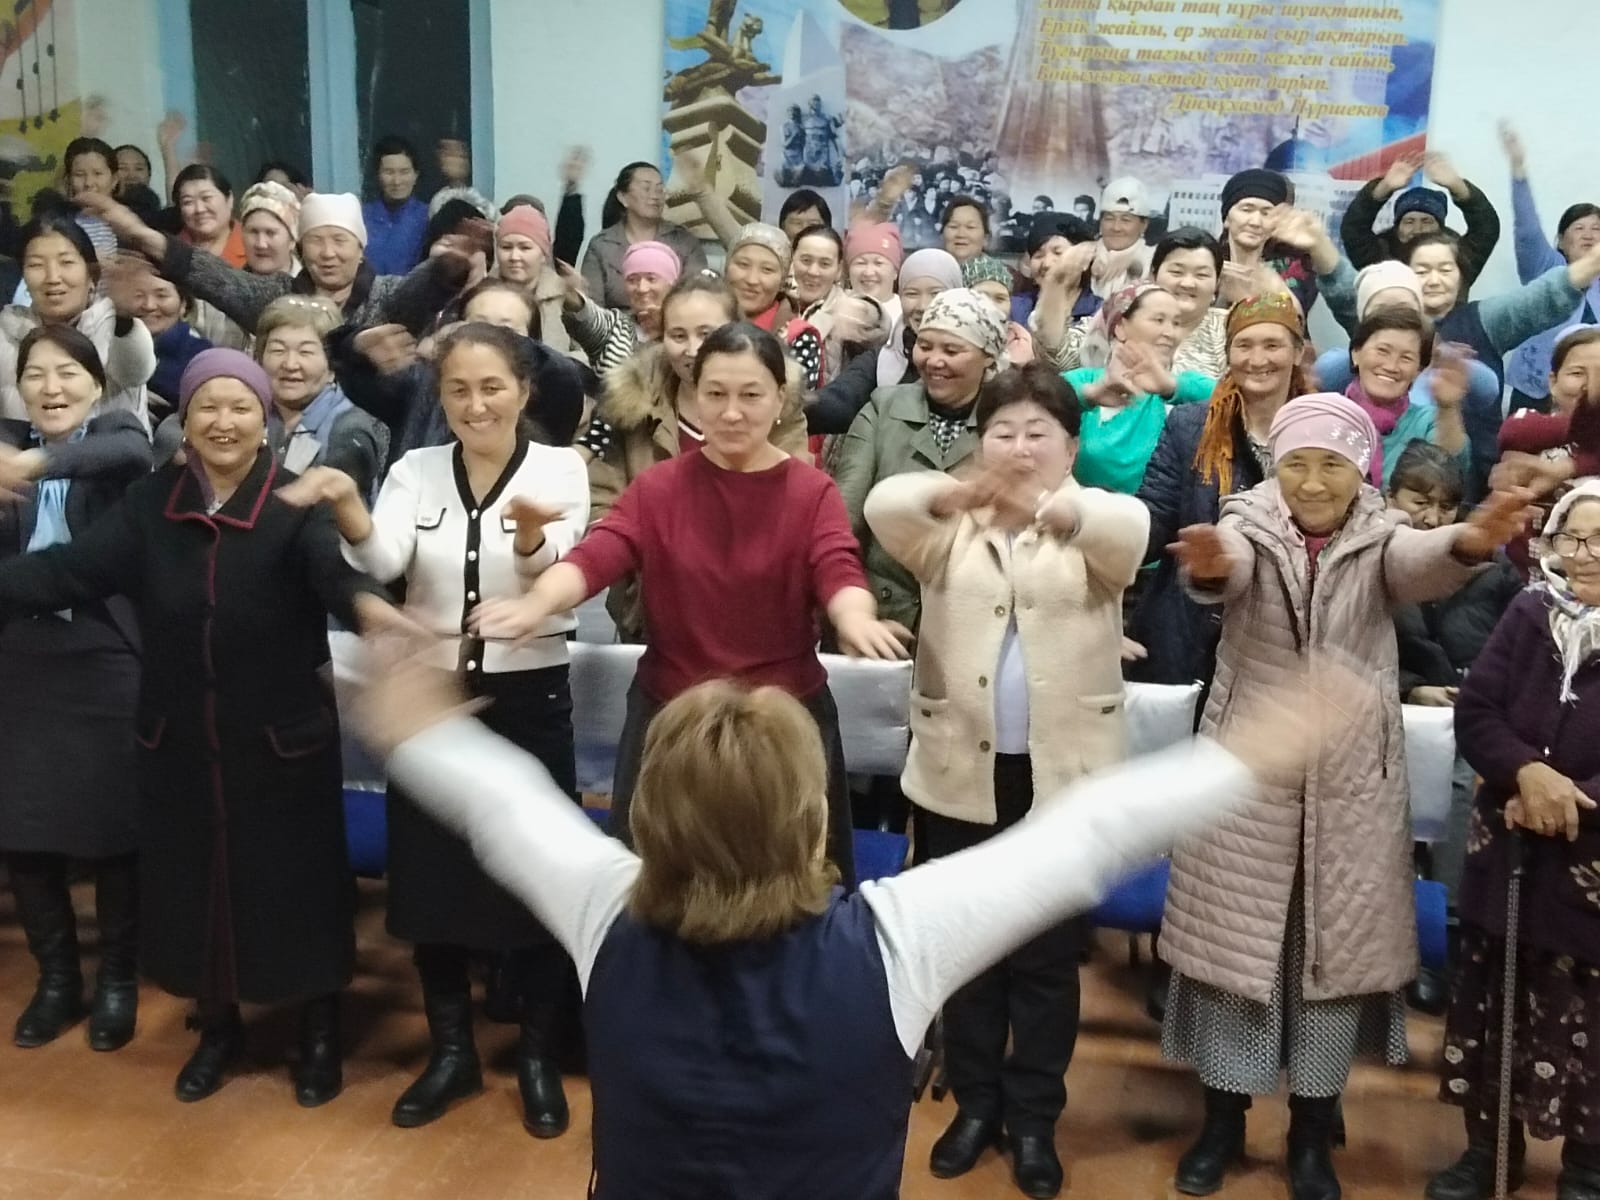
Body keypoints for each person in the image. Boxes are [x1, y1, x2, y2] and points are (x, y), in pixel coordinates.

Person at [357, 609, 1350, 1197]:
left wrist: (415, 728)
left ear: (647, 810)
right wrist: (1247, 757)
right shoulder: (896, 940)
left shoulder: (601, 905)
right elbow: (1086, 835)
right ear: (809, 813)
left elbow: (505, 803)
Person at [0, 348, 411, 1106]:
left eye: (241, 407)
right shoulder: (152, 503)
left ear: (265, 420)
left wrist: (371, 612)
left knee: (298, 892)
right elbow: (68, 571)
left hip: (282, 743)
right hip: (182, 741)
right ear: (184, 422)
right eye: (208, 408)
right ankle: (218, 1029)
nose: (225, 422)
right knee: (198, 889)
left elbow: (337, 575)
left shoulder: (294, 499)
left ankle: (319, 1031)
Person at [1159, 392, 1531, 1200]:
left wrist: (1469, 541)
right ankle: (1221, 1125)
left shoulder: (1380, 532)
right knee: (1233, 963)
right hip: (1248, 780)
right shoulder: (1248, 518)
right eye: (1298, 463)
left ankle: (1310, 1138)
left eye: (1331, 465)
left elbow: (1418, 561)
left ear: (1361, 469)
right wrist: (1211, 567)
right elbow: (1233, 562)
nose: (1313, 482)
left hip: (1353, 784)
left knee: (1331, 968)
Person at [279, 322, 589, 1135]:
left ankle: (535, 1056)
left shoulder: (560, 467)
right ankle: (450, 1053)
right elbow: (384, 563)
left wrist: (529, 531)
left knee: (540, 877)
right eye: (458, 390)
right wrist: (347, 503)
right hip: (431, 695)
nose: (475, 404)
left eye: (492, 388)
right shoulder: (416, 468)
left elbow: (557, 566)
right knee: (429, 881)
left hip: (529, 700)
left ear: (523, 390)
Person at [473, 323, 912, 887]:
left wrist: (855, 617)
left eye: (751, 395)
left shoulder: (811, 492)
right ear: (693, 395)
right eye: (715, 394)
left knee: (786, 886)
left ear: (780, 398)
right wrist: (538, 601)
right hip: (672, 718)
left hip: (781, 726)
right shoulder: (659, 488)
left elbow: (837, 566)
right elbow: (598, 554)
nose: (732, 412)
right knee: (659, 882)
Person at [865, 364, 1149, 1198]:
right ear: (978, 440)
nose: (1020, 449)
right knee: (968, 956)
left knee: (1046, 963)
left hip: (1064, 782)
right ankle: (975, 1104)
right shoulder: (947, 529)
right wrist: (957, 493)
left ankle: (1033, 1121)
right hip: (961, 772)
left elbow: (1127, 533)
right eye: (1002, 432)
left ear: (1070, 444)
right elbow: (884, 505)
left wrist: (1055, 509)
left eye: (1038, 434)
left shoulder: (1097, 522)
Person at [1429, 480, 1600, 1200]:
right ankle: (1488, 1149)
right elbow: (1477, 710)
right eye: (1574, 538)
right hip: (1509, 849)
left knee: (1591, 1019)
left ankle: (1589, 1166)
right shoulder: (1529, 612)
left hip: (1590, 864)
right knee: (1494, 1004)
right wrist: (1526, 773)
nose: (1587, 554)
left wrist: (1570, 796)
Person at [0, 327, 151, 1054]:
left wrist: (34, 462)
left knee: (114, 826)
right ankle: (57, 980)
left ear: (95, 383)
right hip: (20, 655)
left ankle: (118, 979)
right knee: (22, 827)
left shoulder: (117, 436)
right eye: (35, 374)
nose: (51, 387)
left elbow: (128, 453)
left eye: (67, 372)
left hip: (104, 651)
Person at [586, 276, 808, 639]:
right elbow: (603, 501)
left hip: (756, 608)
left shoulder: (777, 405)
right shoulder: (630, 405)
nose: (693, 349)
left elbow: (794, 501)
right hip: (653, 609)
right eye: (678, 335)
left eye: (707, 334)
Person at [1386, 441, 1521, 1015]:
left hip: (1469, 713)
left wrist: (1475, 697)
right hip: (1389, 706)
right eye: (1418, 501)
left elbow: (1517, 653)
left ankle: (1443, 941)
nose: (1431, 517)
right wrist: (1411, 687)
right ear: (1390, 497)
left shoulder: (1495, 570)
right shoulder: (1375, 556)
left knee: (1467, 775)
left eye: (1445, 506)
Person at [1132, 292, 1305, 690]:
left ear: (1297, 352)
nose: (1257, 359)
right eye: (1243, 345)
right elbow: (1154, 515)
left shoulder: (1321, 430)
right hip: (1188, 629)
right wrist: (1111, 529)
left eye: (1272, 345)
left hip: (1280, 634)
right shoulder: (1190, 426)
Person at [836, 288, 1008, 634]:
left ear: (988, 356)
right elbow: (843, 521)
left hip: (972, 625)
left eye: (952, 350)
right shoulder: (883, 408)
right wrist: (856, 615)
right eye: (925, 346)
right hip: (883, 616)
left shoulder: (1009, 420)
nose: (934, 361)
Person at [77, 187, 467, 338]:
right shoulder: (277, 295)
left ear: (361, 248)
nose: (328, 253)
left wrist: (448, 266)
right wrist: (138, 232)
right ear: (300, 247)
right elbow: (212, 275)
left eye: (339, 241)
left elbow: (423, 289)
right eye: (316, 241)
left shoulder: (388, 294)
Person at [334, 277, 590, 477]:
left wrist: (488, 341)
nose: (488, 337)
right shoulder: (421, 382)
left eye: (507, 330)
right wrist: (355, 345)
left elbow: (564, 378)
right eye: (477, 324)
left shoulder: (548, 387)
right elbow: (353, 377)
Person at [0, 214, 154, 429]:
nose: (53, 277)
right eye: (36, 265)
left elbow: (136, 370)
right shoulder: (7, 331)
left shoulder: (114, 328)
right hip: (25, 451)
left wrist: (122, 319)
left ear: (92, 274)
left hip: (110, 450)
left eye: (66, 262)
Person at [1064, 283, 1215, 495]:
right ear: (1120, 327)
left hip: (1157, 512)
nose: (1170, 333)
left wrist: (1172, 387)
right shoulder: (1082, 381)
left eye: (1176, 323)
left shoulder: (1183, 388)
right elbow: (1040, 403)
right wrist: (1092, 394)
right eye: (1158, 320)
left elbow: (1235, 400)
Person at [1499, 121, 1600, 413]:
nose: (1589, 235)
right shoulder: (1545, 268)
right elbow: (1527, 229)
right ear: (1561, 241)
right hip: (1534, 391)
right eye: (1579, 228)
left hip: (1592, 393)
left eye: (1597, 229)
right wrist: (1518, 169)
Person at [252, 295, 386, 497]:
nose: (290, 364)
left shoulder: (349, 431)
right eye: (278, 350)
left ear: (333, 366)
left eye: (305, 352)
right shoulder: (251, 414)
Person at [1342, 305, 1470, 487]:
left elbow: (1448, 470)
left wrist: (1448, 407)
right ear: (1356, 353)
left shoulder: (1427, 421)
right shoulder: (1328, 413)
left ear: (1418, 371)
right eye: (1382, 351)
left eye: (1406, 358)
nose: (1391, 366)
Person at [1340, 151, 1501, 290]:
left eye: (1426, 221)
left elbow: (1486, 227)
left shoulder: (1459, 259)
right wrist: (1385, 187)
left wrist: (1457, 185)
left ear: (1440, 228)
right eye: (1409, 222)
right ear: (1397, 227)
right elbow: (1353, 228)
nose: (1417, 229)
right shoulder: (1379, 260)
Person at [580, 161, 708, 311]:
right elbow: (590, 309)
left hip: (673, 322)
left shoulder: (684, 241)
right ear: (623, 197)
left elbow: (697, 296)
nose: (655, 196)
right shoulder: (601, 246)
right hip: (613, 324)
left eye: (659, 189)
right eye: (646, 188)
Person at [1216, 169, 1317, 315]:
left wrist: (1271, 287)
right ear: (1226, 218)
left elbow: (1296, 320)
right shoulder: (1209, 262)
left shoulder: (1294, 269)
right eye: (1246, 210)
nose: (1255, 222)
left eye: (1266, 213)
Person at [494, 202, 575, 357]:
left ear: (543, 254)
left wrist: (558, 364)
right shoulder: (482, 295)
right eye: (506, 247)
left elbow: (589, 353)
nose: (514, 257)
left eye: (525, 248)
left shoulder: (567, 297)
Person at [876, 247, 964, 387]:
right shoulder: (879, 358)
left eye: (935, 294)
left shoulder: (977, 357)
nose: (923, 306)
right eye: (912, 294)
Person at [133, 270, 212, 413]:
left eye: (161, 296)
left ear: (183, 305)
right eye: (138, 295)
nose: (149, 305)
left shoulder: (203, 358)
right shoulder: (108, 347)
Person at [1152, 227, 1226, 377]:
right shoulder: (1125, 323)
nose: (1188, 284)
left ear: (1217, 283)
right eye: (1176, 272)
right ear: (1153, 275)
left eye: (1201, 275)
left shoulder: (1231, 329)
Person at [362, 135, 430, 278]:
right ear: (377, 175)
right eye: (389, 172)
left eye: (404, 172)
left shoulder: (428, 217)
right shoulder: (361, 217)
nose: (397, 181)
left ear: (416, 175)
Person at [962, 254, 1033, 365]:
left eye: (1000, 299)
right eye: (981, 297)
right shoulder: (949, 340)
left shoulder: (1026, 345)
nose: (992, 306)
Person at [172, 164, 245, 270]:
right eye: (188, 202)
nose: (199, 209)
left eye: (206, 198)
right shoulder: (171, 251)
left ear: (229, 199)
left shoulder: (255, 243)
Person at [1092, 177, 1153, 298]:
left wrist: (1134, 260)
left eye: (1126, 220)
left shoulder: (1153, 260)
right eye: (1109, 218)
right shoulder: (1082, 255)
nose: (1116, 227)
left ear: (1144, 225)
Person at [61, 137, 120, 262]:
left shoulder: (131, 222)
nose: (88, 183)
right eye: (79, 175)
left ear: (114, 179)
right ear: (69, 180)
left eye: (97, 173)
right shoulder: (59, 223)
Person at [845, 221, 904, 317]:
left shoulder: (906, 314)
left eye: (878, 263)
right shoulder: (834, 310)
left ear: (895, 272)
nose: (868, 272)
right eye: (861, 263)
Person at [793, 224, 845, 315]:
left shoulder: (851, 315)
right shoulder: (772, 301)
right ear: (790, 260)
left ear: (839, 270)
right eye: (806, 260)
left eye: (825, 264)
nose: (813, 272)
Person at [940, 195, 990, 264]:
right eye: (954, 226)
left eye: (970, 227)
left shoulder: (1000, 270)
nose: (961, 234)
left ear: (986, 238)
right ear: (942, 235)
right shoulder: (926, 268)